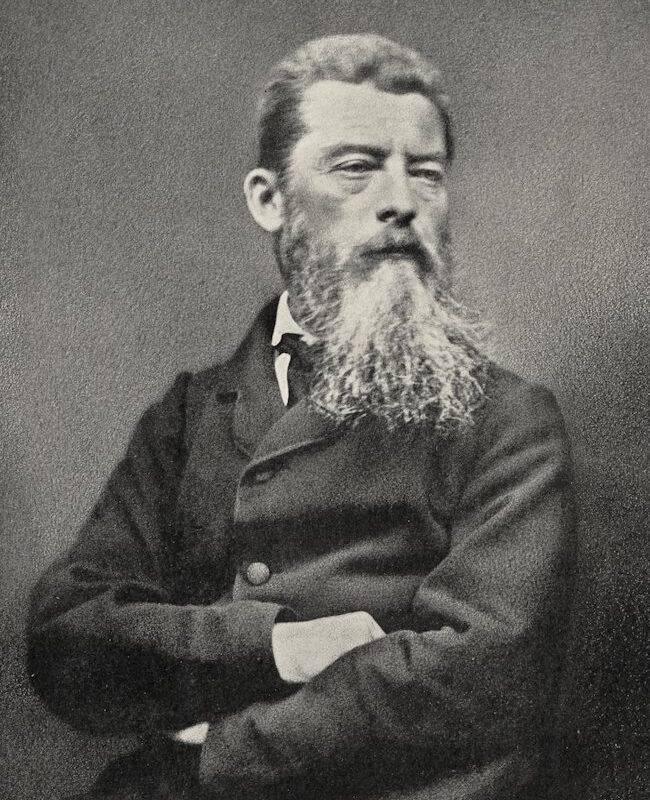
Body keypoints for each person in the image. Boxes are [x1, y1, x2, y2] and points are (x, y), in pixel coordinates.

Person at [27, 34, 575, 800]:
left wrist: (221, 750)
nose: (402, 201)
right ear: (269, 199)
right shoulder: (189, 414)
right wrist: (280, 646)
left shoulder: (509, 421)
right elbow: (68, 637)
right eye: (356, 166)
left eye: (426, 173)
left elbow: (482, 675)